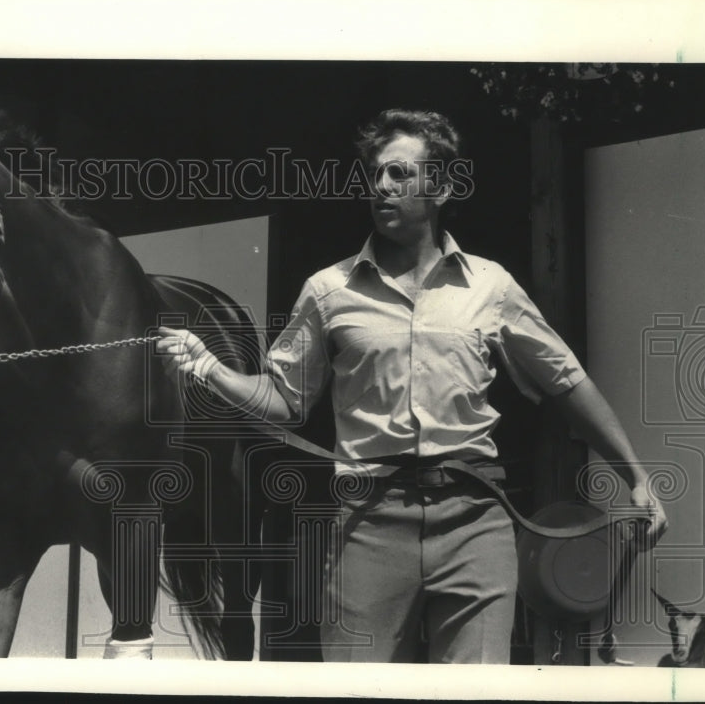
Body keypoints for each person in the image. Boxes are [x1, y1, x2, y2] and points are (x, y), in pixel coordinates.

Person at [155, 109, 668, 663]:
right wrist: (210, 367)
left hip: (476, 520)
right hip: (369, 523)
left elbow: (566, 381)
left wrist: (635, 478)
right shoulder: (328, 292)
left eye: (399, 174)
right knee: (356, 687)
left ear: (441, 186)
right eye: (375, 174)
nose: (381, 186)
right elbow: (284, 399)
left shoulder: (491, 286)